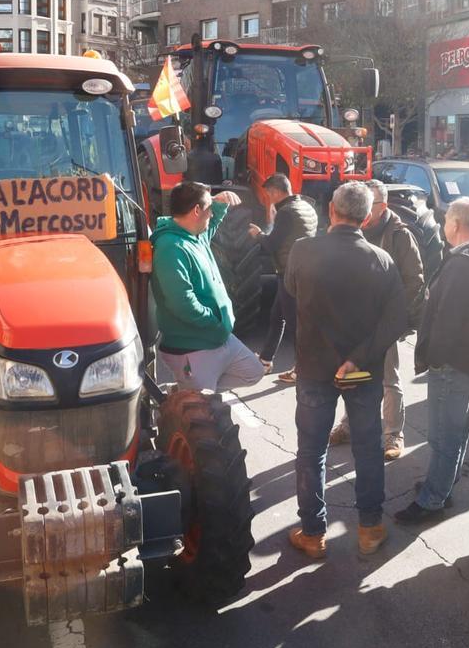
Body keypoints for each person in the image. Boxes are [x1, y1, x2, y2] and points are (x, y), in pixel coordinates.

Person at [284, 182, 407, 559]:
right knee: (368, 449)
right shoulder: (381, 260)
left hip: (315, 368)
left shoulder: (303, 251)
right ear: (367, 218)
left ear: (332, 212)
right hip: (362, 371)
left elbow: (291, 291)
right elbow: (396, 320)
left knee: (311, 451)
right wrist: (358, 356)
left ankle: (312, 532)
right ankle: (369, 528)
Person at [395, 197, 469, 524]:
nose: (443, 226)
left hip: (452, 363)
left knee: (444, 436)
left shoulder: (462, 264)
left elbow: (447, 318)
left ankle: (432, 500)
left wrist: (434, 357)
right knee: (455, 434)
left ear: (456, 225)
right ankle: (442, 485)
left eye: (446, 221)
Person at [329, 180, 427, 461]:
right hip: (355, 322)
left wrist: (395, 319)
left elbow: (414, 280)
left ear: (380, 207)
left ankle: (393, 434)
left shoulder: (399, 235)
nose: (360, 211)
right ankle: (347, 426)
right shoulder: (356, 229)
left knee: (388, 379)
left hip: (384, 323)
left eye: (367, 205)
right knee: (353, 374)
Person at [150, 181, 265, 392]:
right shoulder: (171, 247)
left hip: (217, 337)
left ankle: (184, 390)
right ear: (196, 210)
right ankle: (185, 392)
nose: (211, 214)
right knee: (197, 412)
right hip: (195, 345)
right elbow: (182, 302)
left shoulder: (194, 236)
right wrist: (214, 323)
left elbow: (210, 226)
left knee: (253, 372)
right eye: (209, 209)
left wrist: (218, 204)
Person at [248, 173, 317, 379]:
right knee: (277, 317)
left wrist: (258, 234)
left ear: (276, 191)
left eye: (269, 194)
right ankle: (266, 360)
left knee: (294, 323)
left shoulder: (286, 212)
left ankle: (302, 369)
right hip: (301, 269)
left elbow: (271, 245)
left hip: (289, 273)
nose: (269, 198)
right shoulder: (306, 207)